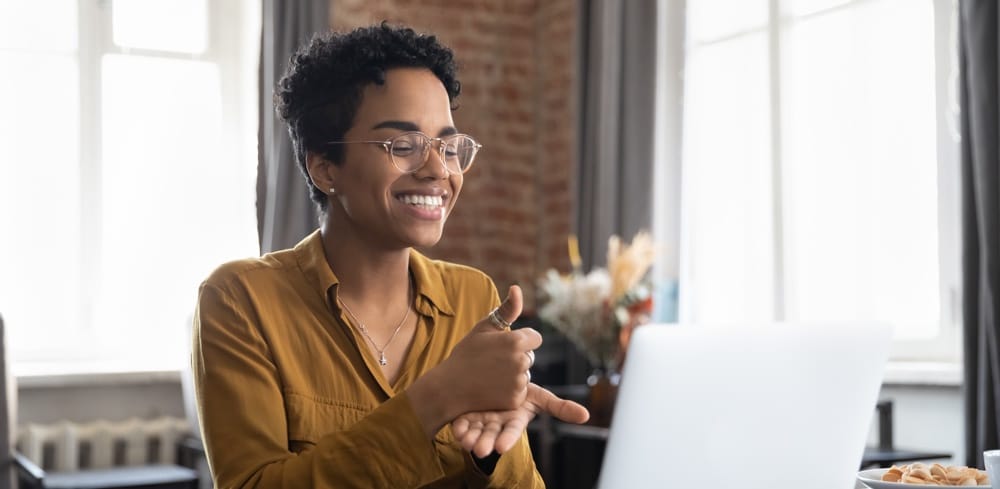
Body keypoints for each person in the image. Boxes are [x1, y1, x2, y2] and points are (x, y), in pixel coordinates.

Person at [191, 22, 589, 488]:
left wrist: (495, 452)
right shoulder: (241, 299)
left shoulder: (472, 295)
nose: (438, 169)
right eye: (403, 146)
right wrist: (436, 397)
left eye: (448, 146)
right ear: (324, 167)